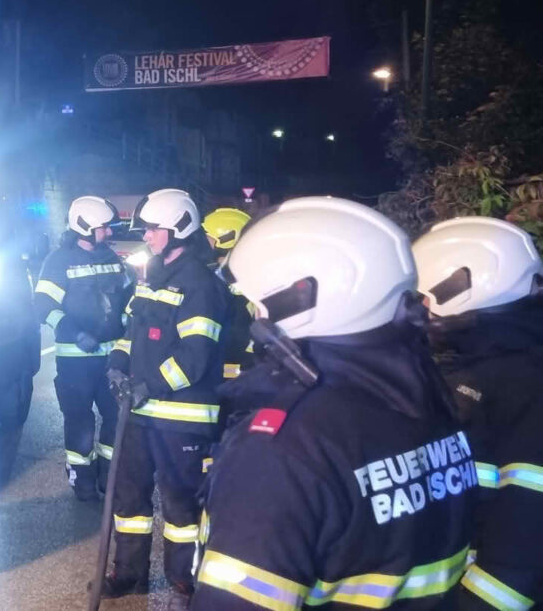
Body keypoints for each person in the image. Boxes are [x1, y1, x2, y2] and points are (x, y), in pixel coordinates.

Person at [195, 198, 475, 609]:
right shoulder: (431, 399)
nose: (255, 313)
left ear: (301, 298)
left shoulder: (282, 448)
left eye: (259, 300)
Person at [98, 188, 226, 600]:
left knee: (180, 507)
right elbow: (130, 334)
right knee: (129, 498)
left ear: (179, 231)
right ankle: (127, 573)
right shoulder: (150, 276)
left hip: (181, 418)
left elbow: (194, 358)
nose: (147, 237)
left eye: (154, 230)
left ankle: (183, 578)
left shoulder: (201, 286)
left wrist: (148, 384)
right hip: (139, 412)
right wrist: (117, 363)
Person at [414, 217, 543, 610]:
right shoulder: (492, 364)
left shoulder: (516, 385)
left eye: (419, 294)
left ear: (457, 289)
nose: (416, 308)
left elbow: (522, 545)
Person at [34, 196, 133, 501]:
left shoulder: (114, 260)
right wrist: (74, 333)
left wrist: (130, 328)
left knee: (116, 418)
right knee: (80, 421)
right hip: (75, 361)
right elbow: (43, 305)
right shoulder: (58, 261)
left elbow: (130, 300)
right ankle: (82, 479)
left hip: (112, 357)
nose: (108, 233)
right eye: (103, 228)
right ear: (85, 227)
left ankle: (108, 475)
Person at [202, 207, 255, 383]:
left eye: (207, 237)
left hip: (235, 378)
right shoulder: (213, 274)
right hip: (214, 374)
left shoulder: (245, 282)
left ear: (226, 239)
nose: (202, 243)